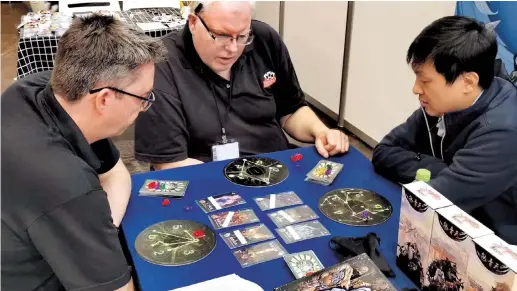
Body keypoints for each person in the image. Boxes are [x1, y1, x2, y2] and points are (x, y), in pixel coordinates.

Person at [1, 14, 167, 290]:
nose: (145, 107)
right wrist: (91, 235)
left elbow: (117, 175)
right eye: (144, 97)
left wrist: (97, 236)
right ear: (104, 99)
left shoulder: (36, 89)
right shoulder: (68, 186)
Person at [134, 1, 349, 170]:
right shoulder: (161, 63)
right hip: (207, 177)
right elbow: (170, 163)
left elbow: (291, 111)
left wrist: (321, 132)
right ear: (192, 23)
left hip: (275, 166)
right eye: (221, 35)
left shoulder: (264, 39)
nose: (233, 48)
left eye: (242, 36)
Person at [372, 16, 517, 244]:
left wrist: (440, 178)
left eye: (425, 81)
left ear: (468, 82)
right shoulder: (448, 104)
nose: (415, 89)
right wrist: (442, 170)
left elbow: (433, 200)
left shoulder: (503, 131)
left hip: (497, 249)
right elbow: (384, 151)